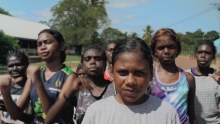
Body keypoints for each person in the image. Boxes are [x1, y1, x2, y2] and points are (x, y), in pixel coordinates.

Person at [81, 37, 180, 124]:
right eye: (123, 73)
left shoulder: (167, 113)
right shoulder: (96, 112)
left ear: (151, 74)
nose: (130, 81)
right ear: (111, 72)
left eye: (139, 73)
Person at [0, 29, 76, 124]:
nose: (42, 47)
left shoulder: (70, 76)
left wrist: (38, 81)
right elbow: (16, 115)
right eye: (39, 44)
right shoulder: (35, 74)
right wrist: (5, 92)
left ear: (61, 46)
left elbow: (50, 117)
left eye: (47, 42)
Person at [45, 44, 115, 124]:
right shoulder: (78, 90)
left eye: (98, 59)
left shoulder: (115, 89)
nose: (92, 62)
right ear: (82, 64)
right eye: (87, 59)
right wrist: (70, 90)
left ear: (105, 63)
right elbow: (49, 119)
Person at [149, 28, 196, 124]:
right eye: (161, 48)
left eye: (171, 47)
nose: (166, 51)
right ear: (154, 52)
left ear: (177, 49)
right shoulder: (150, 79)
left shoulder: (188, 78)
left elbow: (191, 113)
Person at [185, 40, 220, 124]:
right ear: (195, 55)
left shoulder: (218, 77)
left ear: (213, 56)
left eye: (207, 53)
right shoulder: (186, 76)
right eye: (200, 52)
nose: (203, 56)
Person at [0, 50, 30, 124]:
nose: (14, 69)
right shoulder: (5, 87)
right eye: (10, 66)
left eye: (18, 64)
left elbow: (33, 119)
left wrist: (10, 109)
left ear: (27, 65)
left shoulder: (33, 88)